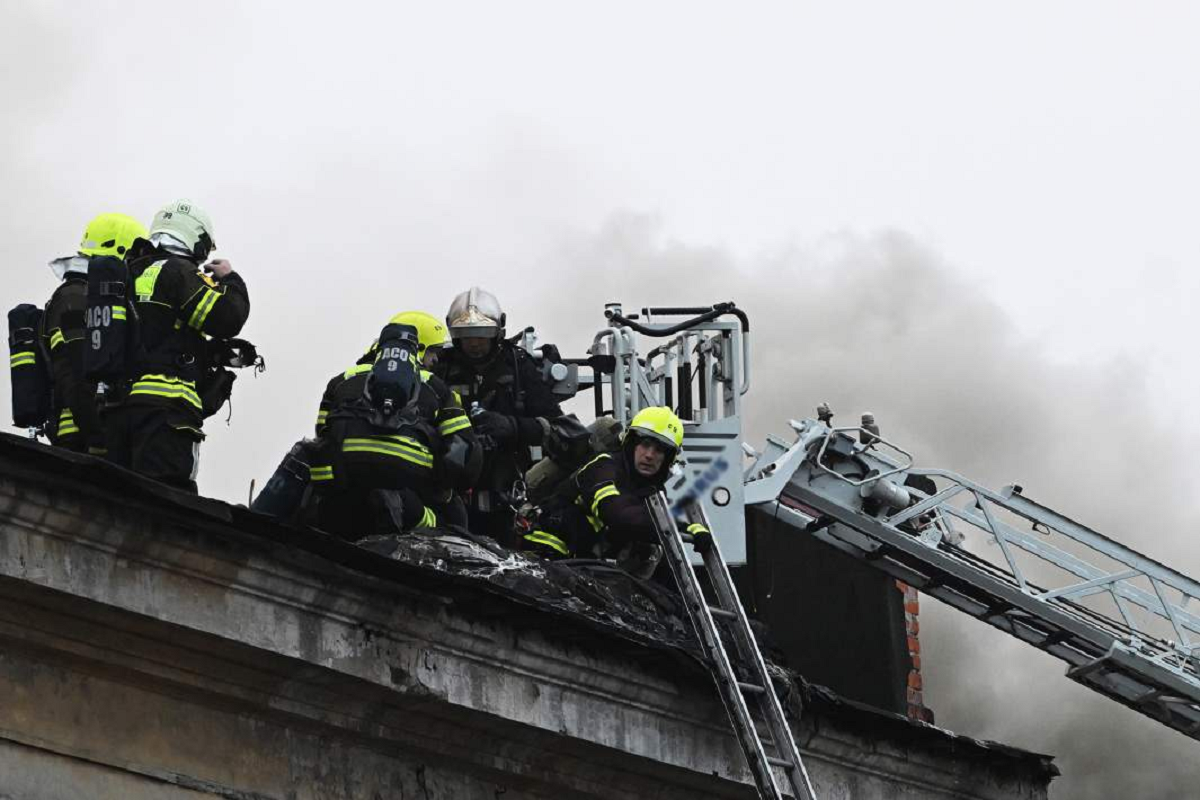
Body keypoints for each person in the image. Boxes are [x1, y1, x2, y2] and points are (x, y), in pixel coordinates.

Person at [104, 200, 250, 492]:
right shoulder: (178, 271)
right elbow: (227, 318)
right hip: (165, 413)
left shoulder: (127, 273)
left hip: (117, 410)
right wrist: (230, 279)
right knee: (167, 502)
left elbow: (155, 335)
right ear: (195, 237)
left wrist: (208, 354)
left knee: (118, 501)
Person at [307, 311, 480, 540]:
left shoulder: (341, 380)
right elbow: (466, 454)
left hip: (344, 490)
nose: (436, 361)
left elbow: (322, 434)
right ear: (418, 348)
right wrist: (442, 481)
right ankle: (421, 521)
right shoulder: (434, 386)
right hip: (409, 489)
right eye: (433, 353)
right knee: (454, 517)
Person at [433, 286, 563, 545]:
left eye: (482, 335)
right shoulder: (441, 369)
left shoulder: (518, 366)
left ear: (497, 332)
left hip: (510, 501)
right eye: (467, 336)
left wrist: (513, 427)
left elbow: (558, 427)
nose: (474, 343)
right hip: (453, 500)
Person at [522, 406, 712, 568]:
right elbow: (619, 514)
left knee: (650, 552)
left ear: (668, 459)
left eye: (659, 450)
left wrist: (690, 529)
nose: (649, 455)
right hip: (545, 551)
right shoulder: (604, 467)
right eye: (645, 445)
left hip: (580, 559)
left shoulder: (650, 489)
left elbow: (653, 521)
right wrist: (679, 528)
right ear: (631, 444)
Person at [41, 212, 146, 454]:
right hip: (81, 439)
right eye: (133, 257)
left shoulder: (89, 294)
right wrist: (98, 440)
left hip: (92, 430)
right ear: (119, 252)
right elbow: (75, 374)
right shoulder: (75, 296)